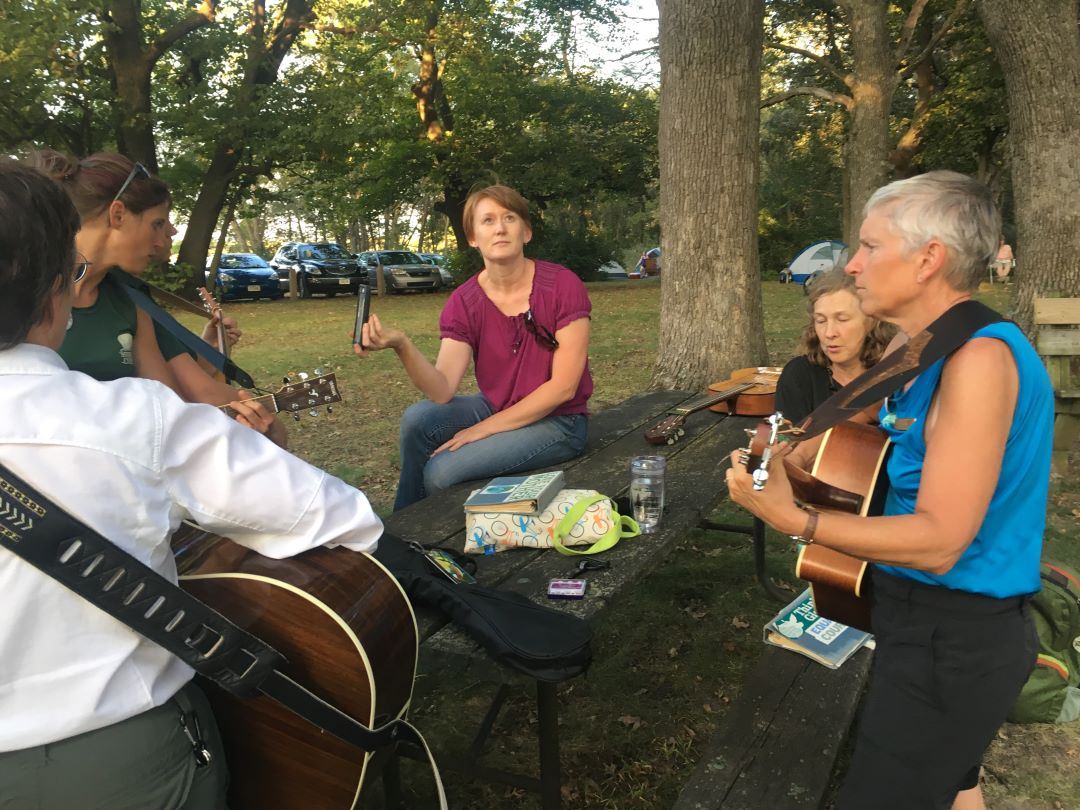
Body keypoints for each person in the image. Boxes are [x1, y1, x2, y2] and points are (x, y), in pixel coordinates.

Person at [0, 160, 383, 807]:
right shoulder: (131, 418)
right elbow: (344, 519)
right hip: (119, 762)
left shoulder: (132, 312)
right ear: (56, 288)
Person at [727, 171, 1053, 810]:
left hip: (955, 634)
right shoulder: (923, 343)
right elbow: (864, 435)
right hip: (912, 613)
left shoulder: (979, 361)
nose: (853, 263)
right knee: (955, 782)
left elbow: (939, 542)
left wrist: (798, 522)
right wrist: (793, 456)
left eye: (871, 247)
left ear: (929, 258)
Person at [356, 184, 591, 511]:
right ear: (472, 237)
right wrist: (402, 344)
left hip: (559, 422)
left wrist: (480, 430)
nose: (499, 228)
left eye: (509, 218)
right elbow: (441, 391)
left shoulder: (562, 285)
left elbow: (564, 388)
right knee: (419, 419)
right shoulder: (465, 302)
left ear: (526, 232)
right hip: (499, 406)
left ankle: (422, 534)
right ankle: (403, 526)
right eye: (488, 220)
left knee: (441, 472)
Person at [32, 150, 286, 446]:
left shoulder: (129, 297)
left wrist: (268, 424)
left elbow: (168, 404)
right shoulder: (25, 288)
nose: (167, 234)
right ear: (117, 214)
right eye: (156, 223)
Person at [774, 267, 895, 424]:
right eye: (821, 321)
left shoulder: (897, 372)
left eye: (842, 319)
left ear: (873, 320)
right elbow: (785, 440)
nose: (829, 333)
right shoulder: (800, 375)